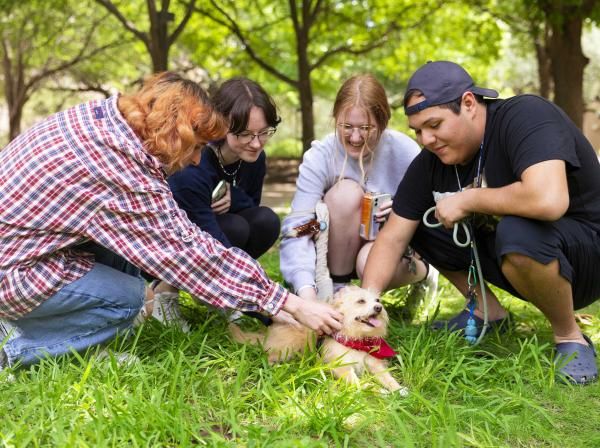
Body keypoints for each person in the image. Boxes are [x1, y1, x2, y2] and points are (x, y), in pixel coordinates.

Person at [0, 72, 342, 370]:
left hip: (27, 250)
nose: (196, 160)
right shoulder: (120, 169)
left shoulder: (106, 120)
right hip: (13, 272)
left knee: (125, 263)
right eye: (195, 148)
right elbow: (189, 252)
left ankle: (64, 332)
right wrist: (283, 302)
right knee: (128, 298)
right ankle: (18, 346)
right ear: (172, 133)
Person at [362, 60, 600, 385]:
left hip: (586, 255)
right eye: (418, 130)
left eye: (435, 124)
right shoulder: (431, 162)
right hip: (519, 255)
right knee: (420, 222)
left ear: (469, 104)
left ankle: (570, 337)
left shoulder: (525, 116)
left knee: (518, 229)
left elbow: (548, 200)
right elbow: (392, 238)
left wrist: (469, 199)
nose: (426, 139)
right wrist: (363, 306)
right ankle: (488, 314)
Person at [280, 74, 436, 303]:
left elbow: (434, 212)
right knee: (345, 194)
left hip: (389, 248)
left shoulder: (405, 151)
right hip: (333, 246)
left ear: (383, 123)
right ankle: (336, 287)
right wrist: (306, 288)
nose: (355, 137)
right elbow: (296, 229)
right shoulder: (320, 156)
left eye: (366, 128)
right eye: (346, 126)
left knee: (368, 260)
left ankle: (425, 274)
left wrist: (403, 212)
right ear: (335, 120)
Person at [167, 77, 281, 326]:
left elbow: (250, 206)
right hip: (175, 245)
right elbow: (207, 235)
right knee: (235, 228)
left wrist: (232, 195)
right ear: (222, 125)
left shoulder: (254, 158)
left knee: (265, 220)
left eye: (264, 133)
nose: (257, 143)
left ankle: (219, 292)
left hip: (218, 231)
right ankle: (163, 294)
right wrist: (270, 309)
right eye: (246, 134)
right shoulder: (193, 164)